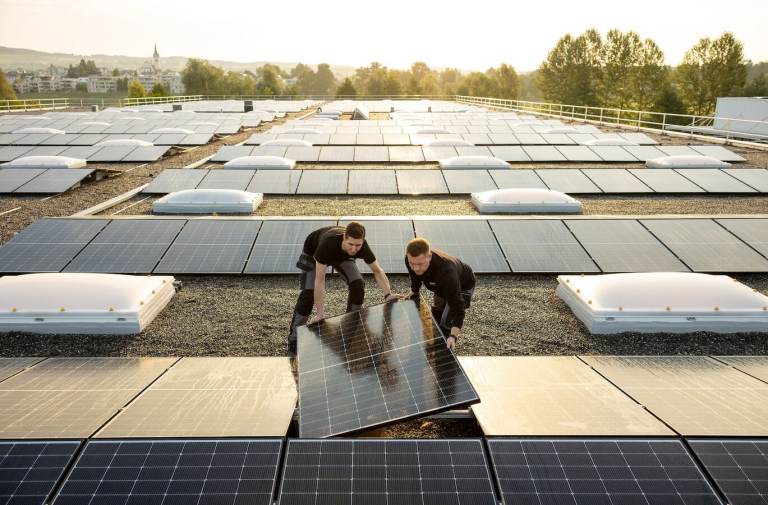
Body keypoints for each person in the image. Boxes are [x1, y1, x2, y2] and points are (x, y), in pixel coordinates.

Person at [287, 221, 398, 356]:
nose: (354, 249)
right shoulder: (327, 245)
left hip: (341, 256)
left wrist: (388, 294)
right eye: (351, 244)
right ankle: (294, 339)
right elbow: (320, 280)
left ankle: (351, 327)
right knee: (308, 295)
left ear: (363, 241)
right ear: (344, 237)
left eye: (358, 245)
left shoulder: (362, 247)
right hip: (314, 252)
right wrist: (320, 314)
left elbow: (377, 270)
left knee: (358, 284)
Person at [404, 237, 475, 350]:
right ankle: (436, 343)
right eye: (412, 263)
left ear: (429, 256)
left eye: (420, 264)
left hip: (462, 286)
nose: (415, 268)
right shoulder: (411, 260)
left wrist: (453, 336)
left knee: (446, 321)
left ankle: (445, 349)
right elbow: (415, 278)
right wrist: (414, 291)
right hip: (439, 286)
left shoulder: (446, 272)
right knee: (437, 313)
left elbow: (458, 307)